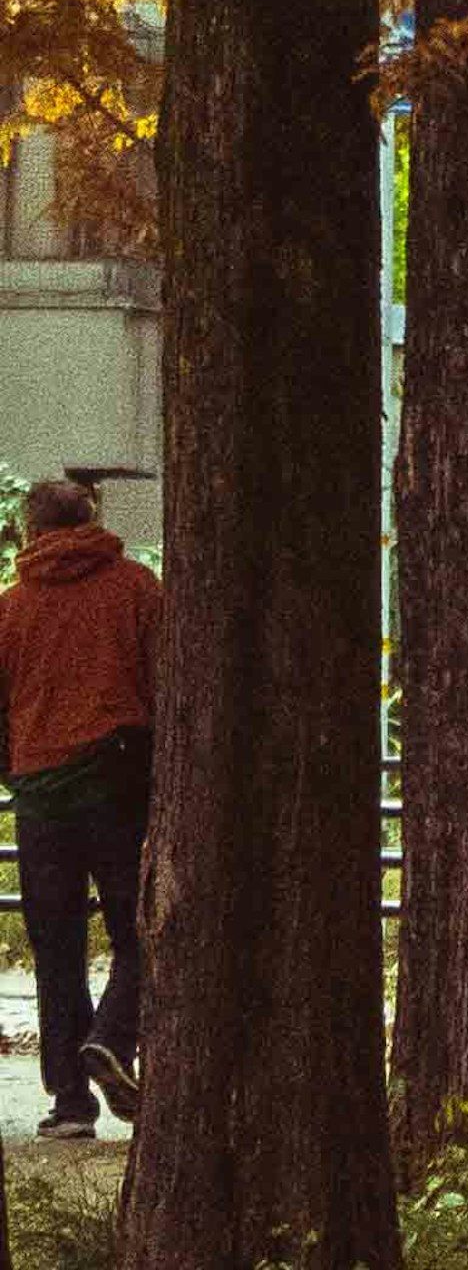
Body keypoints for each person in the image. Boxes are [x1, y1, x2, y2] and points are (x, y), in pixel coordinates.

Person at [0, 478, 156, 1138]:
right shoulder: (137, 588)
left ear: (31, 532)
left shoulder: (10, 609)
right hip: (118, 779)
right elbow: (166, 677)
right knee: (142, 927)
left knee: (56, 943)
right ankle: (114, 1039)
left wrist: (15, 770)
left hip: (40, 790)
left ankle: (70, 1101)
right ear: (91, 519)